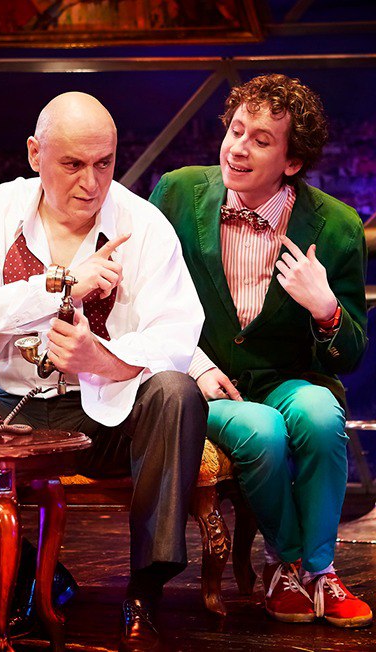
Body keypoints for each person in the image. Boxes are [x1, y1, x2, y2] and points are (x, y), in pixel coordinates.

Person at [0, 92, 208, 651]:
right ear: (35, 154)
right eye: (73, 164)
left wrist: (102, 360)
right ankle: (27, 579)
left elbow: (177, 333)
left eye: (104, 164)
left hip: (102, 416)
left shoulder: (144, 226)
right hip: (11, 414)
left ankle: (145, 592)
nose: (91, 183)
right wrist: (60, 288)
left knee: (176, 392)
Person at [149, 73, 373, 628]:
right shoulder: (176, 193)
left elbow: (349, 355)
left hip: (287, 378)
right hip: (201, 381)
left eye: (261, 139)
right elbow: (142, 301)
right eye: (236, 130)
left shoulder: (338, 226)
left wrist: (326, 309)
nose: (238, 148)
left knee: (321, 416)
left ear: (291, 162)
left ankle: (320, 571)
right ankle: (289, 565)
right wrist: (195, 364)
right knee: (263, 431)